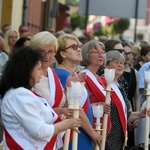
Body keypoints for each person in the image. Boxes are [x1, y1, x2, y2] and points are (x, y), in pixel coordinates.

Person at [0, 46, 81, 149]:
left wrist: (60, 113)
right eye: (38, 68)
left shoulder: (20, 93)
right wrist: (67, 124)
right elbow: (40, 131)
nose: (42, 72)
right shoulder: (19, 95)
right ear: (27, 70)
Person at [81, 45, 147, 150]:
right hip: (107, 134)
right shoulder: (103, 82)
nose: (120, 65)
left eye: (122, 63)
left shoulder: (119, 85)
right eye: (116, 63)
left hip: (118, 136)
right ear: (106, 65)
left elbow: (123, 113)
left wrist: (140, 114)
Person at [55, 35, 105, 150]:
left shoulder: (72, 73)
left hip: (81, 130)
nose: (78, 49)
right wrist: (92, 133)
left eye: (79, 46)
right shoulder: (62, 75)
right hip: (74, 132)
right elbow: (74, 108)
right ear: (63, 54)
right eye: (73, 47)